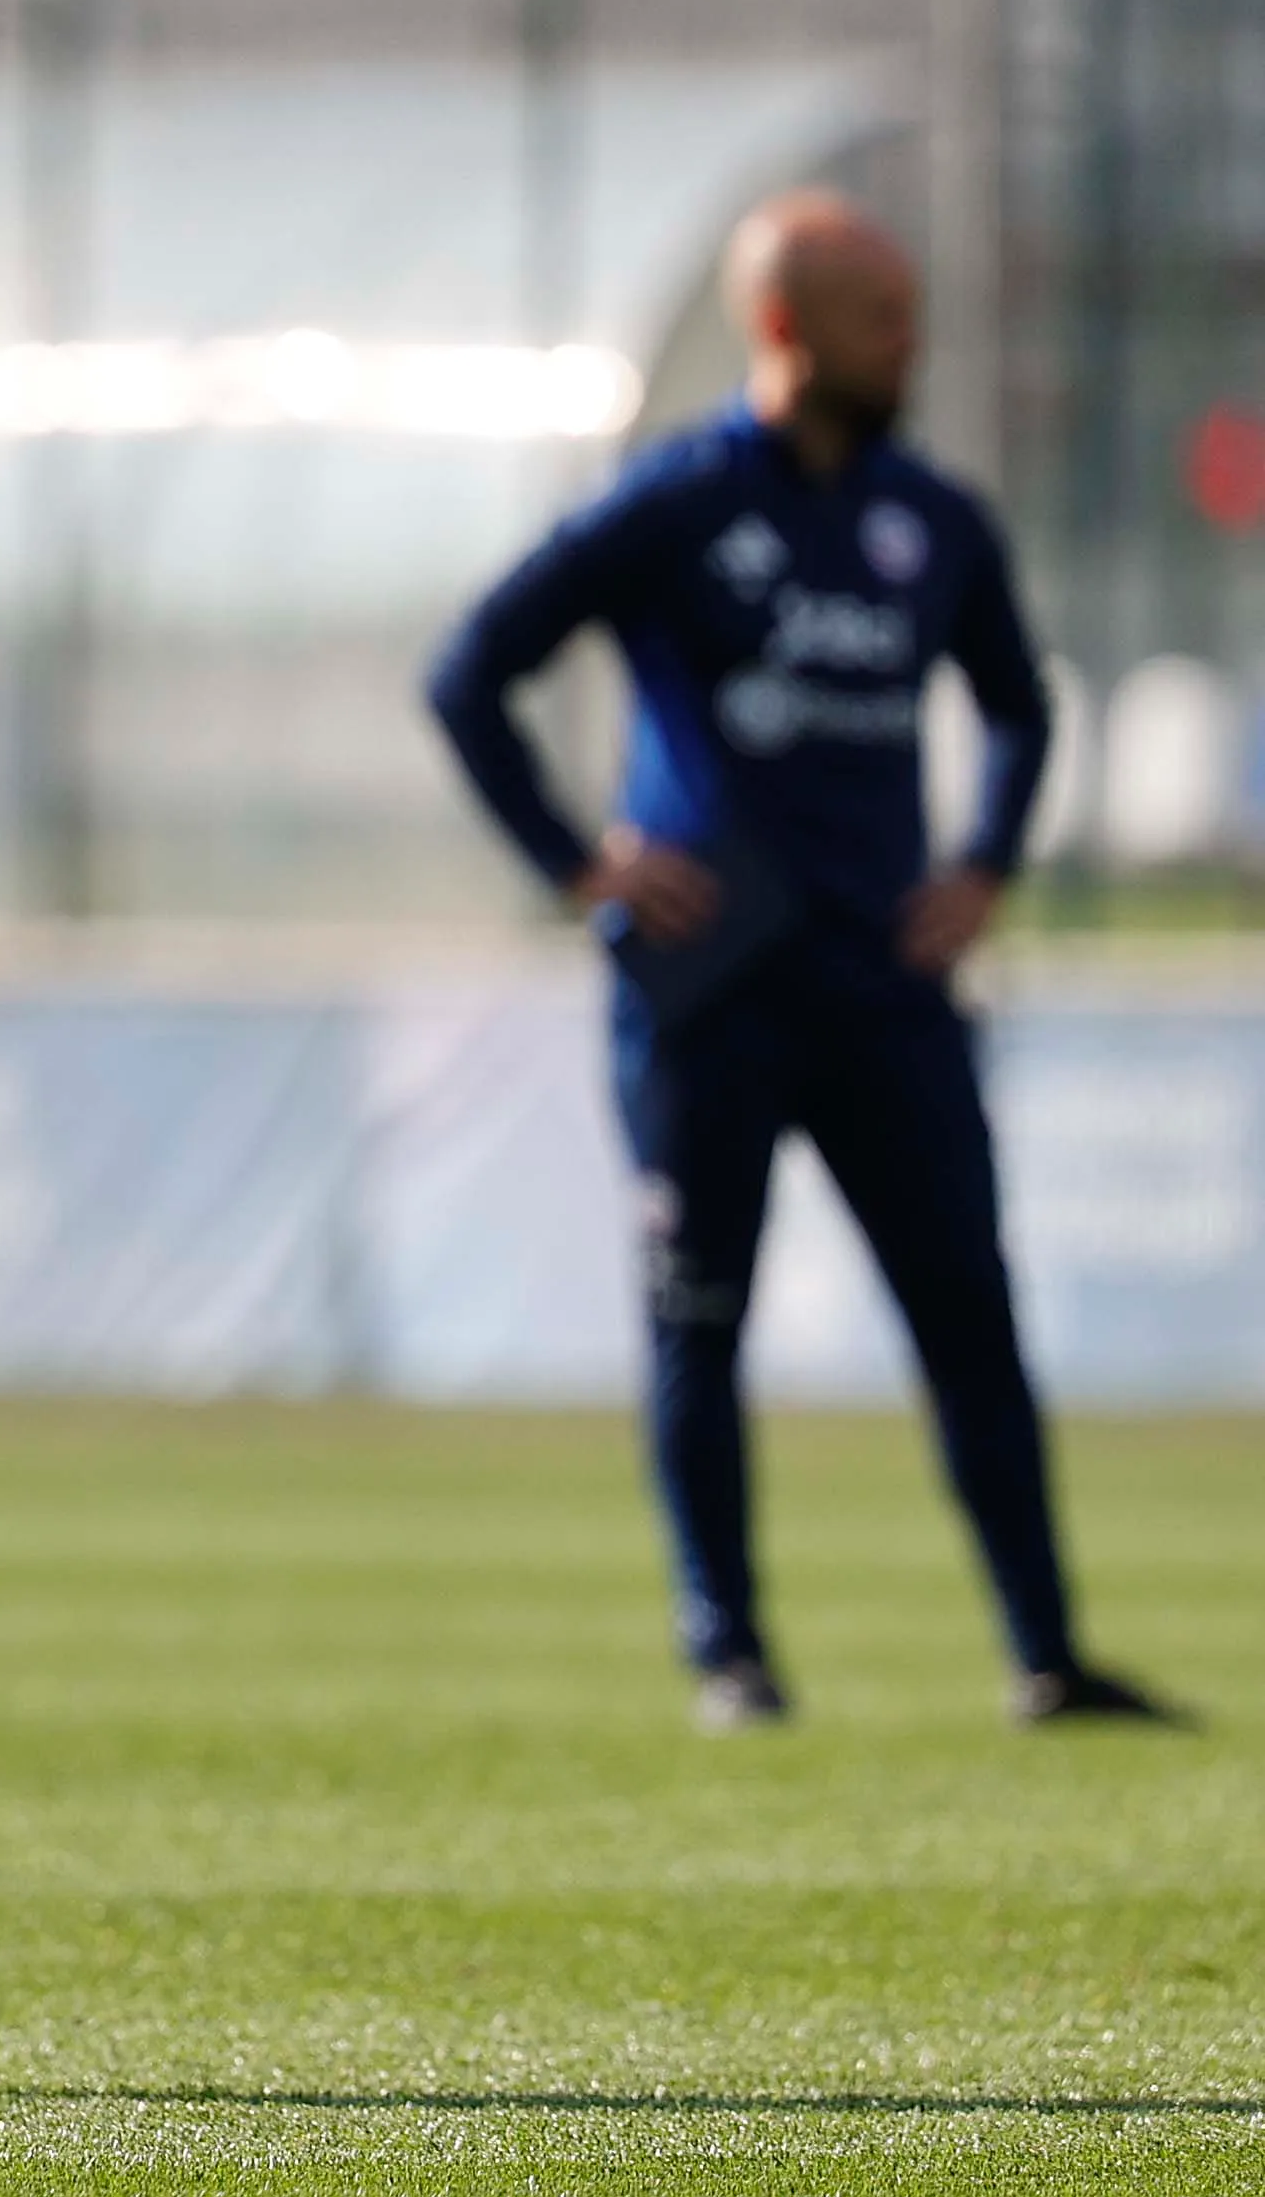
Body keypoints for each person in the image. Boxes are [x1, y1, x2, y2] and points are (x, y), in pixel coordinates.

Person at [426, 189, 1186, 1736]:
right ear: (784, 328)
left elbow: (1019, 700)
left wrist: (982, 861)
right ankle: (729, 1654)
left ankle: (1045, 1655)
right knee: (698, 1315)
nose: (909, 344)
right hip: (709, 996)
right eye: (878, 317)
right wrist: (582, 863)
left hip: (884, 992)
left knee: (967, 1315)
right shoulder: (676, 502)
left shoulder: (932, 519)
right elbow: (471, 671)